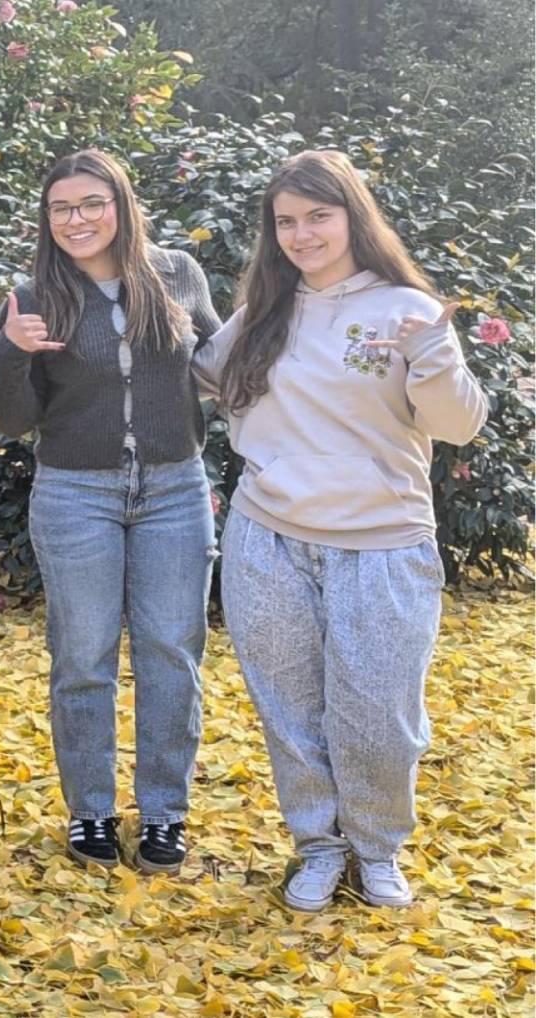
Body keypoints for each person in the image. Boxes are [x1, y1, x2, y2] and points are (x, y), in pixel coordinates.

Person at [193, 149, 488, 913]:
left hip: (383, 543)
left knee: (380, 716)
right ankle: (318, 847)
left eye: (318, 216)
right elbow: (198, 372)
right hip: (270, 541)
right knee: (291, 713)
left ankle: (378, 848)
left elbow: (458, 425)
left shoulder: (407, 311)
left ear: (353, 216)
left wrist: (431, 360)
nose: (302, 234)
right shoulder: (262, 314)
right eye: (286, 221)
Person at [0, 149, 225, 874]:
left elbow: (221, 365)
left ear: (121, 205)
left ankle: (164, 816)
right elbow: (12, 418)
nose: (77, 219)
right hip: (74, 492)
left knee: (170, 655)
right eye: (61, 208)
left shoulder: (177, 273)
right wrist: (9, 349)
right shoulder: (34, 294)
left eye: (92, 203)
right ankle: (90, 812)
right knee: (83, 659)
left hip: (174, 490)